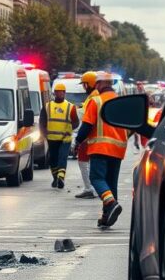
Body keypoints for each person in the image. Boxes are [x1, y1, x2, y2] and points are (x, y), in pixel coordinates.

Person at [73, 71, 130, 229]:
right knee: (111, 183)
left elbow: (86, 126)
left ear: (99, 84)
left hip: (100, 147)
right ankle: (107, 216)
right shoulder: (121, 101)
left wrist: (77, 142)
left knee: (97, 178)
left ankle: (111, 203)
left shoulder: (96, 101)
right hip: (118, 148)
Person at [40, 82, 79, 189]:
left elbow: (76, 122)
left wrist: (70, 129)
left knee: (62, 157)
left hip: (65, 139)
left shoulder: (70, 107)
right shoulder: (47, 106)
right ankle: (55, 178)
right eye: (57, 92)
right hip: (52, 139)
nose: (59, 94)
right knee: (53, 160)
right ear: (54, 93)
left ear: (64, 93)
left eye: (61, 92)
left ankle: (61, 178)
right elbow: (42, 122)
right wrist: (44, 133)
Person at [74, 71, 101, 199]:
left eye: (84, 84)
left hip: (88, 136)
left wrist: (79, 139)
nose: (83, 87)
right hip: (95, 135)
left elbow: (87, 118)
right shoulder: (97, 96)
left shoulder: (92, 98)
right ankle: (92, 188)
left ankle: (89, 188)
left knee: (83, 161)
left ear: (89, 83)